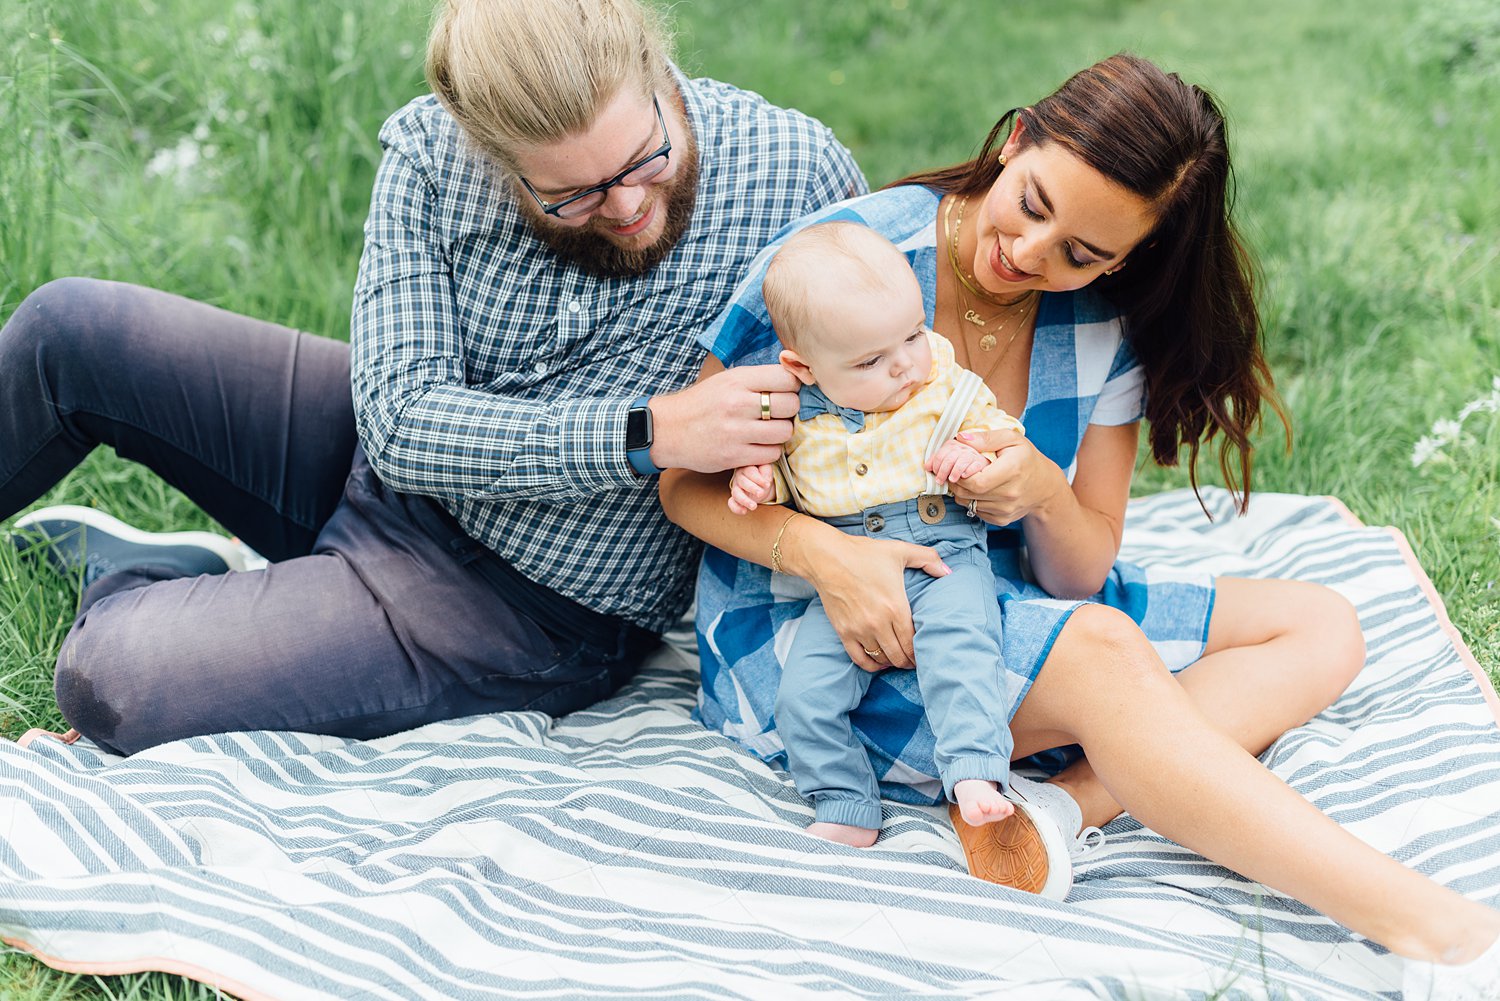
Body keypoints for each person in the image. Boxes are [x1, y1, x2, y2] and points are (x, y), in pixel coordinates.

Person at [659, 53, 1500, 996]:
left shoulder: (1101, 328)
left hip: (998, 600)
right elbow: (684, 481)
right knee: (1103, 648)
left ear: (1125, 258)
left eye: (1082, 253)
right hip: (827, 633)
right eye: (1033, 203)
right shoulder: (844, 263)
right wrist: (823, 552)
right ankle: (1439, 935)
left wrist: (1041, 495)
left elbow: (1077, 570)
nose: (1030, 254)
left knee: (1321, 623)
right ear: (1017, 140)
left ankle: (1059, 808)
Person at [0, 0, 862, 756]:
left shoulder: (796, 175)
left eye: (644, 157)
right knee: (65, 330)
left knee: (112, 677)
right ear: (489, 153)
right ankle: (255, 594)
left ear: (652, 65)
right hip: (383, 468)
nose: (630, 205)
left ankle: (170, 588)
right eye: (573, 195)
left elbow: (881, 380)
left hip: (522, 605)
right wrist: (654, 430)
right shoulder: (428, 155)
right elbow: (401, 422)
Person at [729, 221, 1072, 893]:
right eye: (869, 360)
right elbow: (775, 477)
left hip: (943, 549)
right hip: (851, 570)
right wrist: (754, 482)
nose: (904, 364)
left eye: (912, 335)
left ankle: (975, 771)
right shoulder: (795, 416)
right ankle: (845, 802)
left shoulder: (941, 384)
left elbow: (1003, 438)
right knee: (805, 694)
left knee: (960, 649)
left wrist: (972, 455)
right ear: (804, 366)